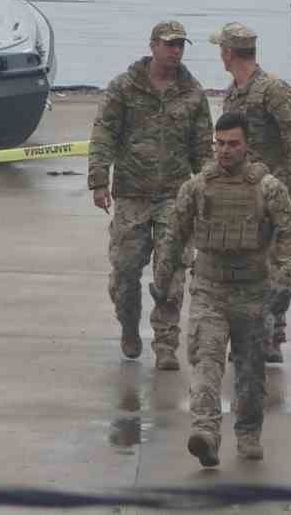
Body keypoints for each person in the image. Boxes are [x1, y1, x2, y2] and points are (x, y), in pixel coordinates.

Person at [152, 112, 291, 466]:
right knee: (206, 363)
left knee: (250, 374)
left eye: (233, 144)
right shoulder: (198, 187)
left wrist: (283, 281)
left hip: (253, 293)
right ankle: (205, 432)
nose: (225, 151)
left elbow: (287, 235)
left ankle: (248, 432)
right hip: (209, 290)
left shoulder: (268, 188)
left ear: (246, 145)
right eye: (220, 144)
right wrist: (162, 278)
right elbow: (174, 235)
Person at [88, 20, 213, 371]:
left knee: (171, 273)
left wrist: (207, 189)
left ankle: (166, 344)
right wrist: (99, 181)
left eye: (181, 45)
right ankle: (129, 325)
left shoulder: (193, 93)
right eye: (169, 44)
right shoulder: (124, 87)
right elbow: (104, 135)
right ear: (153, 45)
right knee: (126, 272)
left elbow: (203, 148)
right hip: (131, 194)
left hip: (175, 195)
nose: (175, 51)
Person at [211, 21, 291, 364]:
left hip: (272, 192)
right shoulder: (233, 92)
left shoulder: (272, 90)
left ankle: (271, 338)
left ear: (228, 53)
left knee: (274, 267)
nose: (220, 57)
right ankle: (247, 334)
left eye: (221, 51)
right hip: (238, 196)